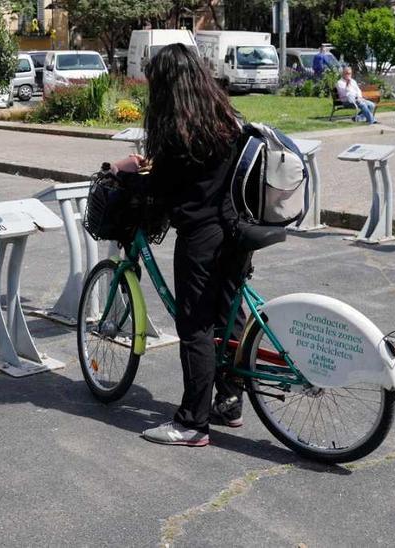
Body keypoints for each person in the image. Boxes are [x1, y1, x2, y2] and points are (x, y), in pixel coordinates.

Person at [111, 44, 248, 447]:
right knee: (228, 316)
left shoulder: (176, 130)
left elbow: (163, 191)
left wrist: (124, 172)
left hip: (202, 236)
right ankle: (229, 399)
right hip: (236, 230)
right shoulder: (225, 118)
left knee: (195, 327)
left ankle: (192, 423)